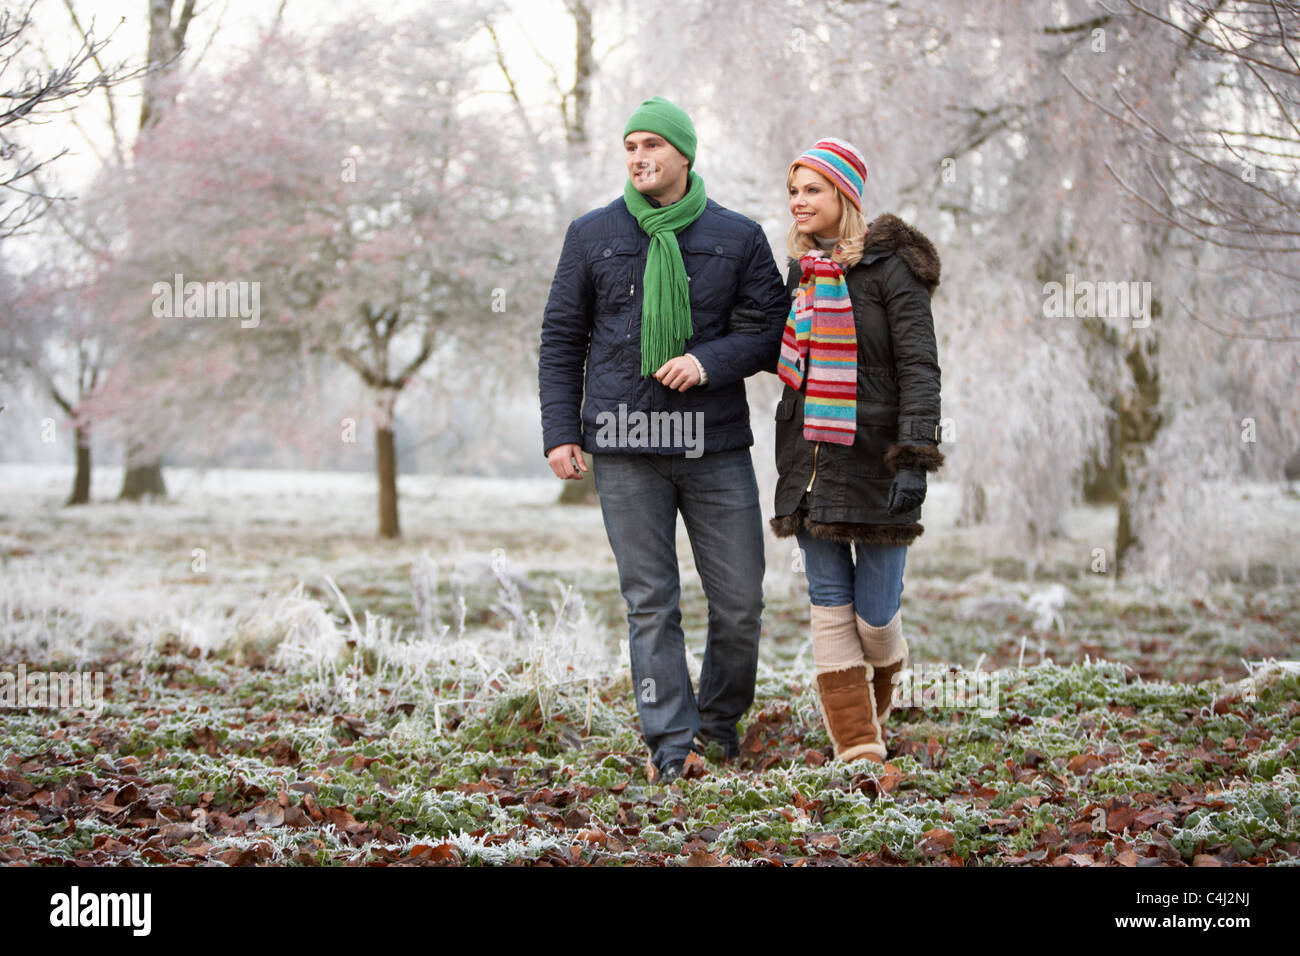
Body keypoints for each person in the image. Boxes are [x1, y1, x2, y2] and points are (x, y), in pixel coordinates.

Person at [538, 96, 790, 783]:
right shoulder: (592, 234)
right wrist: (561, 432)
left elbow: (770, 331)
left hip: (713, 445)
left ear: (683, 153)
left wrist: (711, 360)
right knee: (652, 604)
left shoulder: (738, 237)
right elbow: (562, 338)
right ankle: (672, 749)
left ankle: (717, 727)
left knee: (740, 604)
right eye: (630, 146)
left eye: (652, 145)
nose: (639, 157)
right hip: (624, 447)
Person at [767, 138, 945, 764]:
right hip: (811, 459)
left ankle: (880, 693)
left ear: (844, 196)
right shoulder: (802, 274)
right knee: (829, 604)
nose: (798, 202)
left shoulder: (893, 270)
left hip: (875, 460)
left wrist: (915, 458)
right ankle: (859, 742)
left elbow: (920, 368)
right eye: (793, 191)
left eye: (812, 189)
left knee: (874, 612)